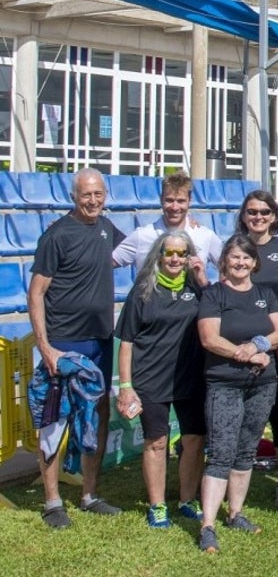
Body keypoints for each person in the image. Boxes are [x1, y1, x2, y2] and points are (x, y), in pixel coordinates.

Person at [29, 168, 126, 528]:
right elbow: (35, 293)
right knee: (54, 420)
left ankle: (89, 494)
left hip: (100, 340)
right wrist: (46, 347)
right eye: (86, 194)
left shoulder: (106, 229)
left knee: (96, 416)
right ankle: (53, 501)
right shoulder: (57, 235)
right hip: (63, 344)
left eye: (98, 194)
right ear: (74, 196)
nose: (93, 201)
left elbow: (140, 249)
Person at [196, 235, 278, 553]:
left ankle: (235, 513)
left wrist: (257, 345)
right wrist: (245, 354)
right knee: (221, 452)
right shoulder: (214, 294)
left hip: (262, 384)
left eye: (246, 258)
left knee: (246, 449)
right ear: (224, 261)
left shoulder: (265, 293)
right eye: (234, 257)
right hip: (225, 383)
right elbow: (209, 338)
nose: (240, 263)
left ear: (254, 263)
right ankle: (208, 524)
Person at [114, 230, 208, 529]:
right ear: (159, 255)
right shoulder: (143, 290)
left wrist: (202, 277)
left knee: (194, 441)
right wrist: (126, 387)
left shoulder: (197, 289)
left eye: (182, 253)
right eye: (170, 253)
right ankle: (157, 505)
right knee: (157, 442)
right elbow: (126, 341)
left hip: (191, 379)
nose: (176, 259)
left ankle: (187, 499)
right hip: (151, 379)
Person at [235, 189, 278, 507]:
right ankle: (234, 481)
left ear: (274, 216)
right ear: (243, 215)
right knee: (239, 418)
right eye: (252, 212)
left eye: (264, 212)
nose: (258, 217)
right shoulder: (236, 248)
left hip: (275, 345)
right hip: (240, 347)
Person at [112, 171, 223, 272]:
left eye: (181, 201)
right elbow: (106, 263)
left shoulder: (205, 235)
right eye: (169, 200)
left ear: (190, 201)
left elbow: (229, 267)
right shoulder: (142, 235)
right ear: (161, 200)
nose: (174, 207)